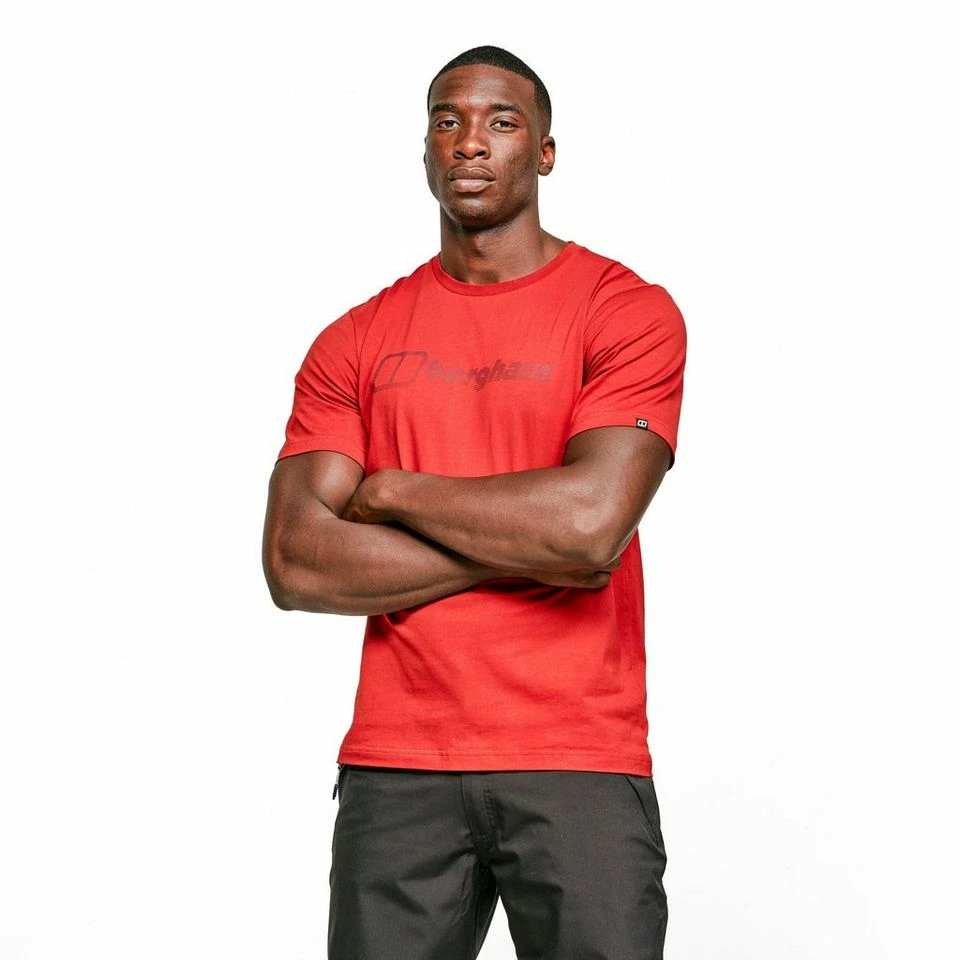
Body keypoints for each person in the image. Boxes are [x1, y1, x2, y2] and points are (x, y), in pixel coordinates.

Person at [262, 44, 686, 960]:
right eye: (447, 121)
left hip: (576, 758)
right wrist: (535, 547)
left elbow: (588, 526)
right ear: (424, 148)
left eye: (501, 122)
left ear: (545, 152)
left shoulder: (624, 311)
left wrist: (394, 491)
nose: (469, 142)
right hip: (398, 765)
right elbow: (295, 562)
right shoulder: (356, 339)